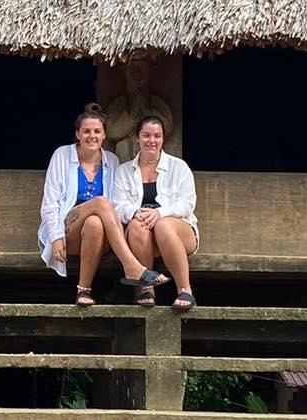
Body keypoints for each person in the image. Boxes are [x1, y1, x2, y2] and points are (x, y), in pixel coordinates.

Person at [39, 103, 167, 307]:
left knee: (95, 223)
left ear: (104, 135)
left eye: (97, 131)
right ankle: (131, 265)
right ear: (77, 134)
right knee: (100, 202)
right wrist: (55, 237)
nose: (92, 136)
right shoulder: (62, 155)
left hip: (99, 236)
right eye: (86, 131)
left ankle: (83, 290)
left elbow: (115, 206)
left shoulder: (112, 160)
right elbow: (50, 203)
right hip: (67, 234)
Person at [113, 113, 199, 311]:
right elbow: (118, 205)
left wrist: (160, 213)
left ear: (163, 138)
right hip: (143, 235)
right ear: (137, 137)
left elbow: (187, 204)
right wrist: (136, 212)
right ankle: (147, 287)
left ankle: (185, 290)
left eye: (157, 136)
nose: (152, 141)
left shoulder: (179, 167)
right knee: (136, 225)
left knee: (162, 225)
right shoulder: (124, 171)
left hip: (177, 233)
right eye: (146, 135)